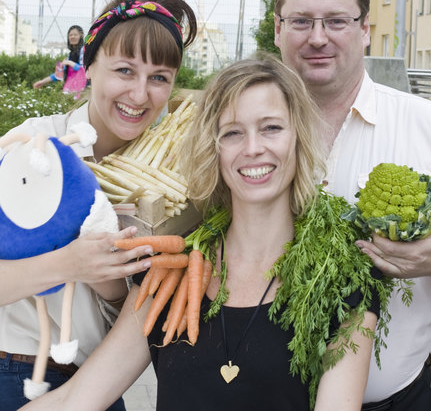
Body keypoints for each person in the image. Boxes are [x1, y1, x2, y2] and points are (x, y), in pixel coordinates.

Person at [18, 55, 386, 411]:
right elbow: (74, 400)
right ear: (214, 148)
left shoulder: (342, 276)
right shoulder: (169, 272)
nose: (253, 148)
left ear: (299, 138)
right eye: (233, 133)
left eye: (271, 128)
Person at [273, 0, 431, 410]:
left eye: (336, 21)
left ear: (365, 30)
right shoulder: (243, 134)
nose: (318, 37)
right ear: (278, 29)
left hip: (397, 401)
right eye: (301, 21)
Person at [0, 0, 197, 411]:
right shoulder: (35, 146)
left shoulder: (175, 186)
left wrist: (109, 283)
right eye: (124, 70)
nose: (140, 94)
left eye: (158, 78)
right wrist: (69, 263)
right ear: (88, 67)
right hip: (11, 373)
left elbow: (137, 319)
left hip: (98, 387)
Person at [33, 25, 85, 92]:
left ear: (81, 36)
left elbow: (83, 69)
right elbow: (59, 74)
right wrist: (42, 82)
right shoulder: (70, 55)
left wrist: (69, 63)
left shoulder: (83, 51)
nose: (72, 37)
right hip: (71, 88)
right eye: (70, 35)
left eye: (75, 35)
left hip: (81, 89)